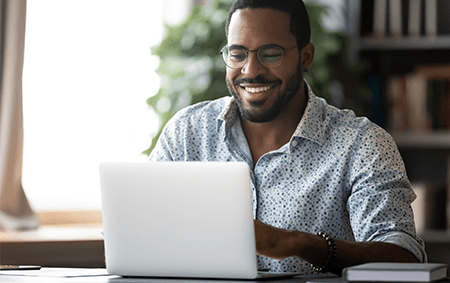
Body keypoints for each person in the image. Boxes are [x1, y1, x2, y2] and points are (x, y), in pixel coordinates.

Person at [149, 0, 426, 275]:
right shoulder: (186, 133)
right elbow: (141, 231)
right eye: (237, 54)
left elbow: (404, 258)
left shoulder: (361, 144)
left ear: (306, 57)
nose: (251, 70)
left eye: (271, 54)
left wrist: (299, 244)